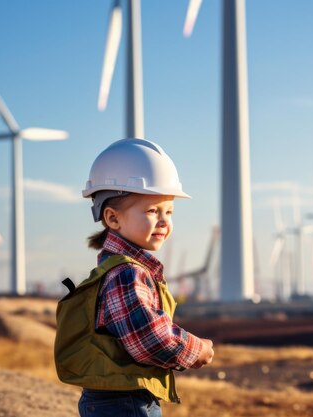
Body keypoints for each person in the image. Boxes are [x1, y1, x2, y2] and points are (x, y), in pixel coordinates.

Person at [54, 138, 214, 417]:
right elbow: (148, 339)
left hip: (116, 399)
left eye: (169, 212)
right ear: (113, 219)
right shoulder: (128, 274)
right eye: (152, 211)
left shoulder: (116, 269)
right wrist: (195, 348)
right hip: (126, 402)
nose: (164, 221)